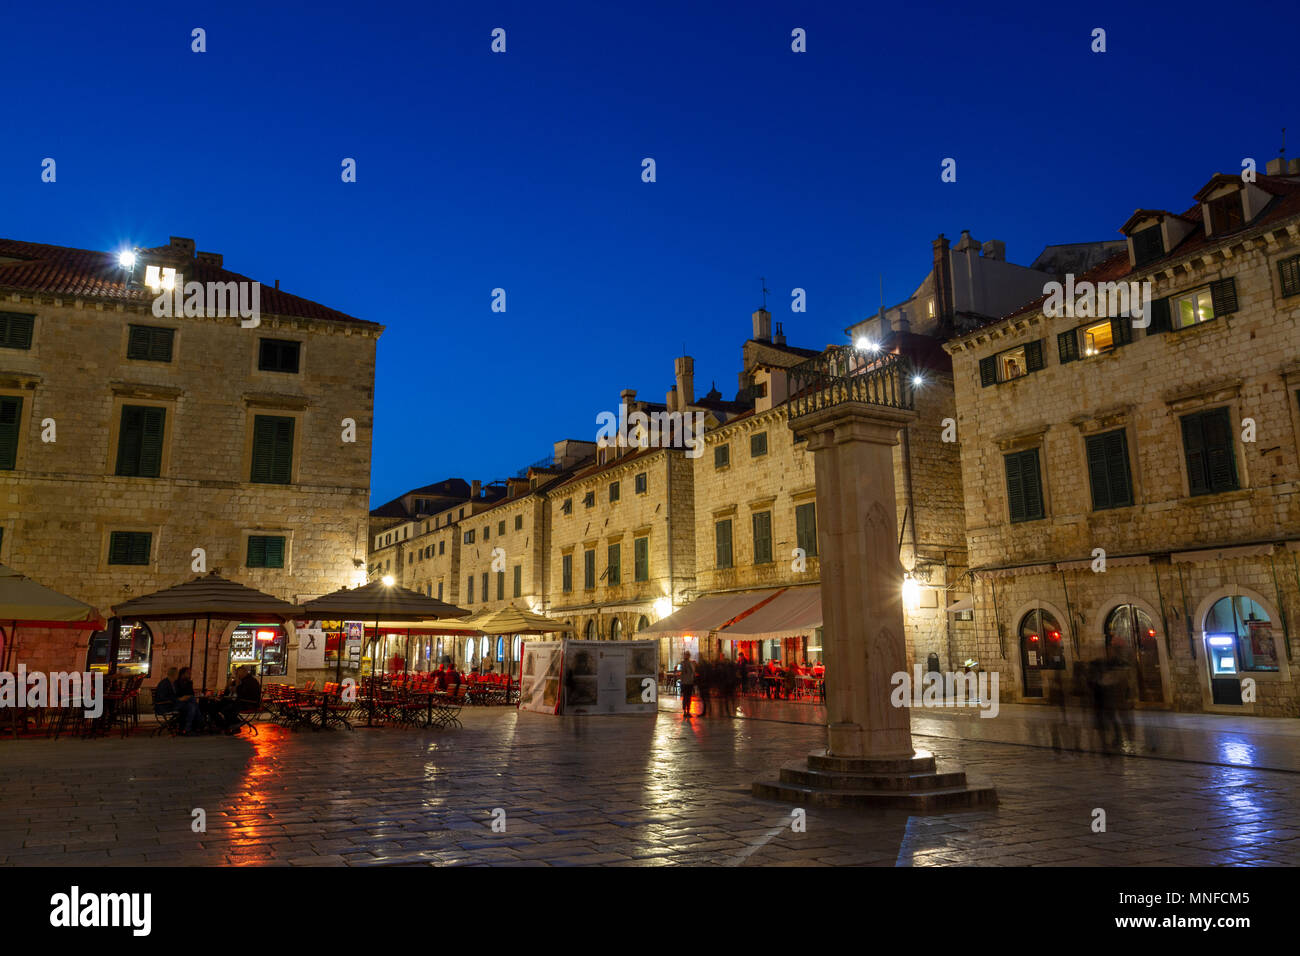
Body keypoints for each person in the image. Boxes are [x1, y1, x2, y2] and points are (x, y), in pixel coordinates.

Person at [175, 667, 201, 735]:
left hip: (188, 703)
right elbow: (178, 694)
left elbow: (191, 693)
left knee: (192, 706)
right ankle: (199, 723)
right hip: (179, 703)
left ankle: (187, 729)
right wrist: (186, 697)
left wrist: (189, 684)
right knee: (193, 705)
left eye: (190, 673)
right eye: (188, 673)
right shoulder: (177, 682)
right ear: (183, 674)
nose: (190, 675)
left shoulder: (189, 682)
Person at [679, 651, 696, 719]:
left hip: (689, 683)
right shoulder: (682, 663)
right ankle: (685, 711)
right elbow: (681, 671)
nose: (687, 656)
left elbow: (693, 671)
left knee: (688, 698)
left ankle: (688, 711)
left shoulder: (690, 663)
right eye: (686, 655)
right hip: (685, 683)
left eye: (688, 655)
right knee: (685, 697)